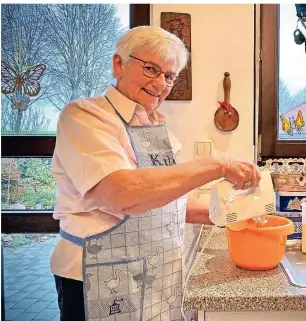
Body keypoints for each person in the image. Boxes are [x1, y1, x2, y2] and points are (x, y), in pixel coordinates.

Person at [50, 25, 261, 321]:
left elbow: (167, 201)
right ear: (118, 64)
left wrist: (238, 214)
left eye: (170, 76)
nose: (161, 84)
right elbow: (123, 194)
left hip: (154, 274)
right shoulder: (85, 117)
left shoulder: (155, 126)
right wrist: (217, 166)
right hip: (95, 276)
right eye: (151, 69)